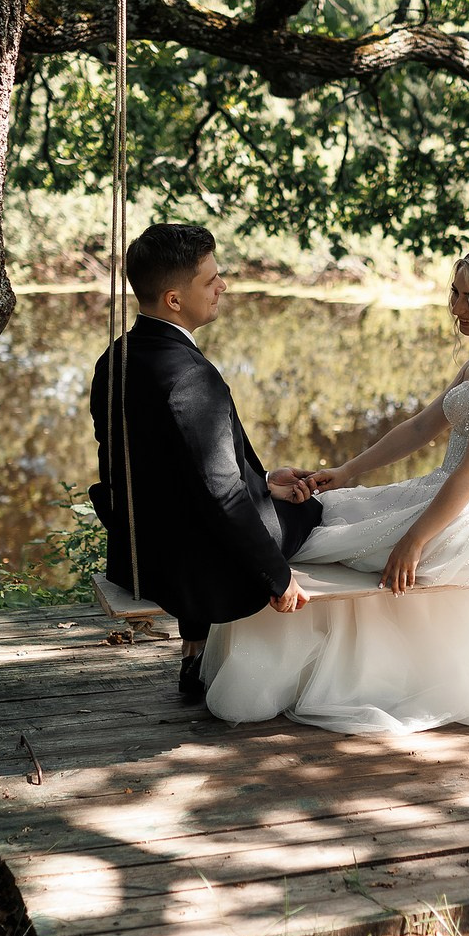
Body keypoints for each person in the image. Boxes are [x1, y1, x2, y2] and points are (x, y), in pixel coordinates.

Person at [201, 242, 469, 759]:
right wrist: (346, 472)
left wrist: (415, 539)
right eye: (455, 294)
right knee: (331, 512)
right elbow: (420, 427)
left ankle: (322, 676)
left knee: (317, 544)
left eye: (467, 298)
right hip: (442, 490)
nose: (455, 308)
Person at [89, 222, 322, 702]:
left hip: (144, 548)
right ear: (174, 300)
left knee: (279, 499)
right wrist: (277, 579)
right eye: (210, 279)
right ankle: (279, 668)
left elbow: (166, 473)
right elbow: (221, 495)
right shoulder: (190, 377)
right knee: (318, 514)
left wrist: (262, 481)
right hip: (192, 564)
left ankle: (194, 652)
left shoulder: (115, 359)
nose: (223, 286)